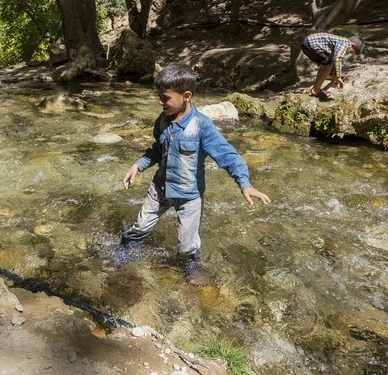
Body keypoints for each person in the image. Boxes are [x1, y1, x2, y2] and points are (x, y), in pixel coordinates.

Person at [105, 62, 271, 285]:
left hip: (190, 196)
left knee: (187, 244)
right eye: (159, 97)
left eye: (165, 98)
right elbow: (157, 150)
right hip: (160, 189)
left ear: (186, 96)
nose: (160, 102)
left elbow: (228, 155)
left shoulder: (202, 126)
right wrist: (138, 165)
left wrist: (245, 184)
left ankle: (190, 265)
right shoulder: (161, 121)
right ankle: (121, 255)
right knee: (140, 227)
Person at [300, 32, 363, 100]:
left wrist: (335, 74)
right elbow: (338, 58)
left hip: (307, 43)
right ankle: (316, 90)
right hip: (312, 44)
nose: (348, 54)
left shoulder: (340, 41)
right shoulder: (345, 43)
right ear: (353, 46)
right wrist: (338, 76)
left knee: (325, 64)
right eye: (350, 52)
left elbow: (337, 60)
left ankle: (315, 88)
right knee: (328, 65)